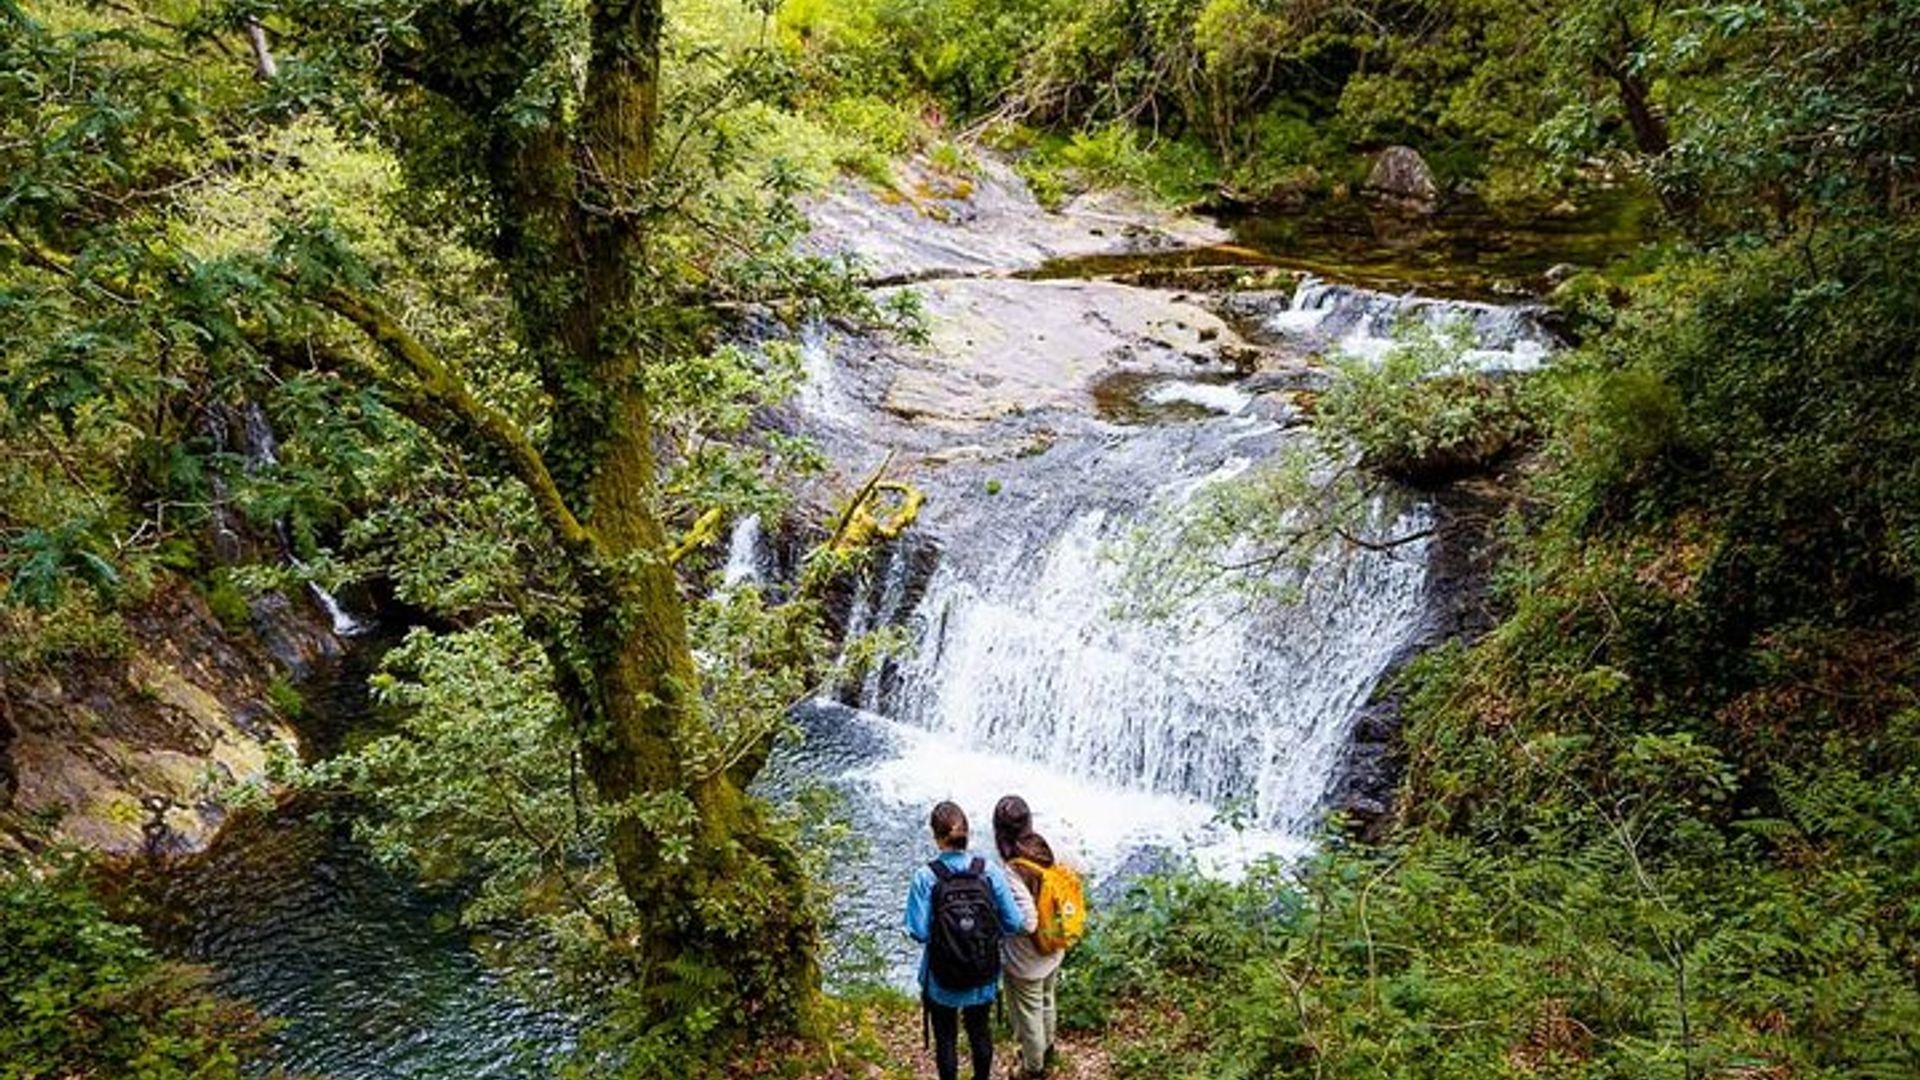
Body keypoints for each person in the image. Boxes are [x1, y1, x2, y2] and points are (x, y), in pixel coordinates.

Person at [904, 801, 1033, 1080]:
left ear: (936, 837)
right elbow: (1013, 922)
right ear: (968, 834)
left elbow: (919, 932)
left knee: (946, 1037)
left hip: (941, 976)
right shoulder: (989, 872)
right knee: (979, 1031)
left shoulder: (925, 877)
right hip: (982, 971)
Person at [994, 795, 1066, 1079]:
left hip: (1027, 958)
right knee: (1047, 999)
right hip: (1054, 944)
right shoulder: (1044, 847)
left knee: (1029, 1016)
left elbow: (1028, 922)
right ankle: (1048, 1050)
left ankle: (1032, 1069)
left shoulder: (1014, 868)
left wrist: (1002, 924)